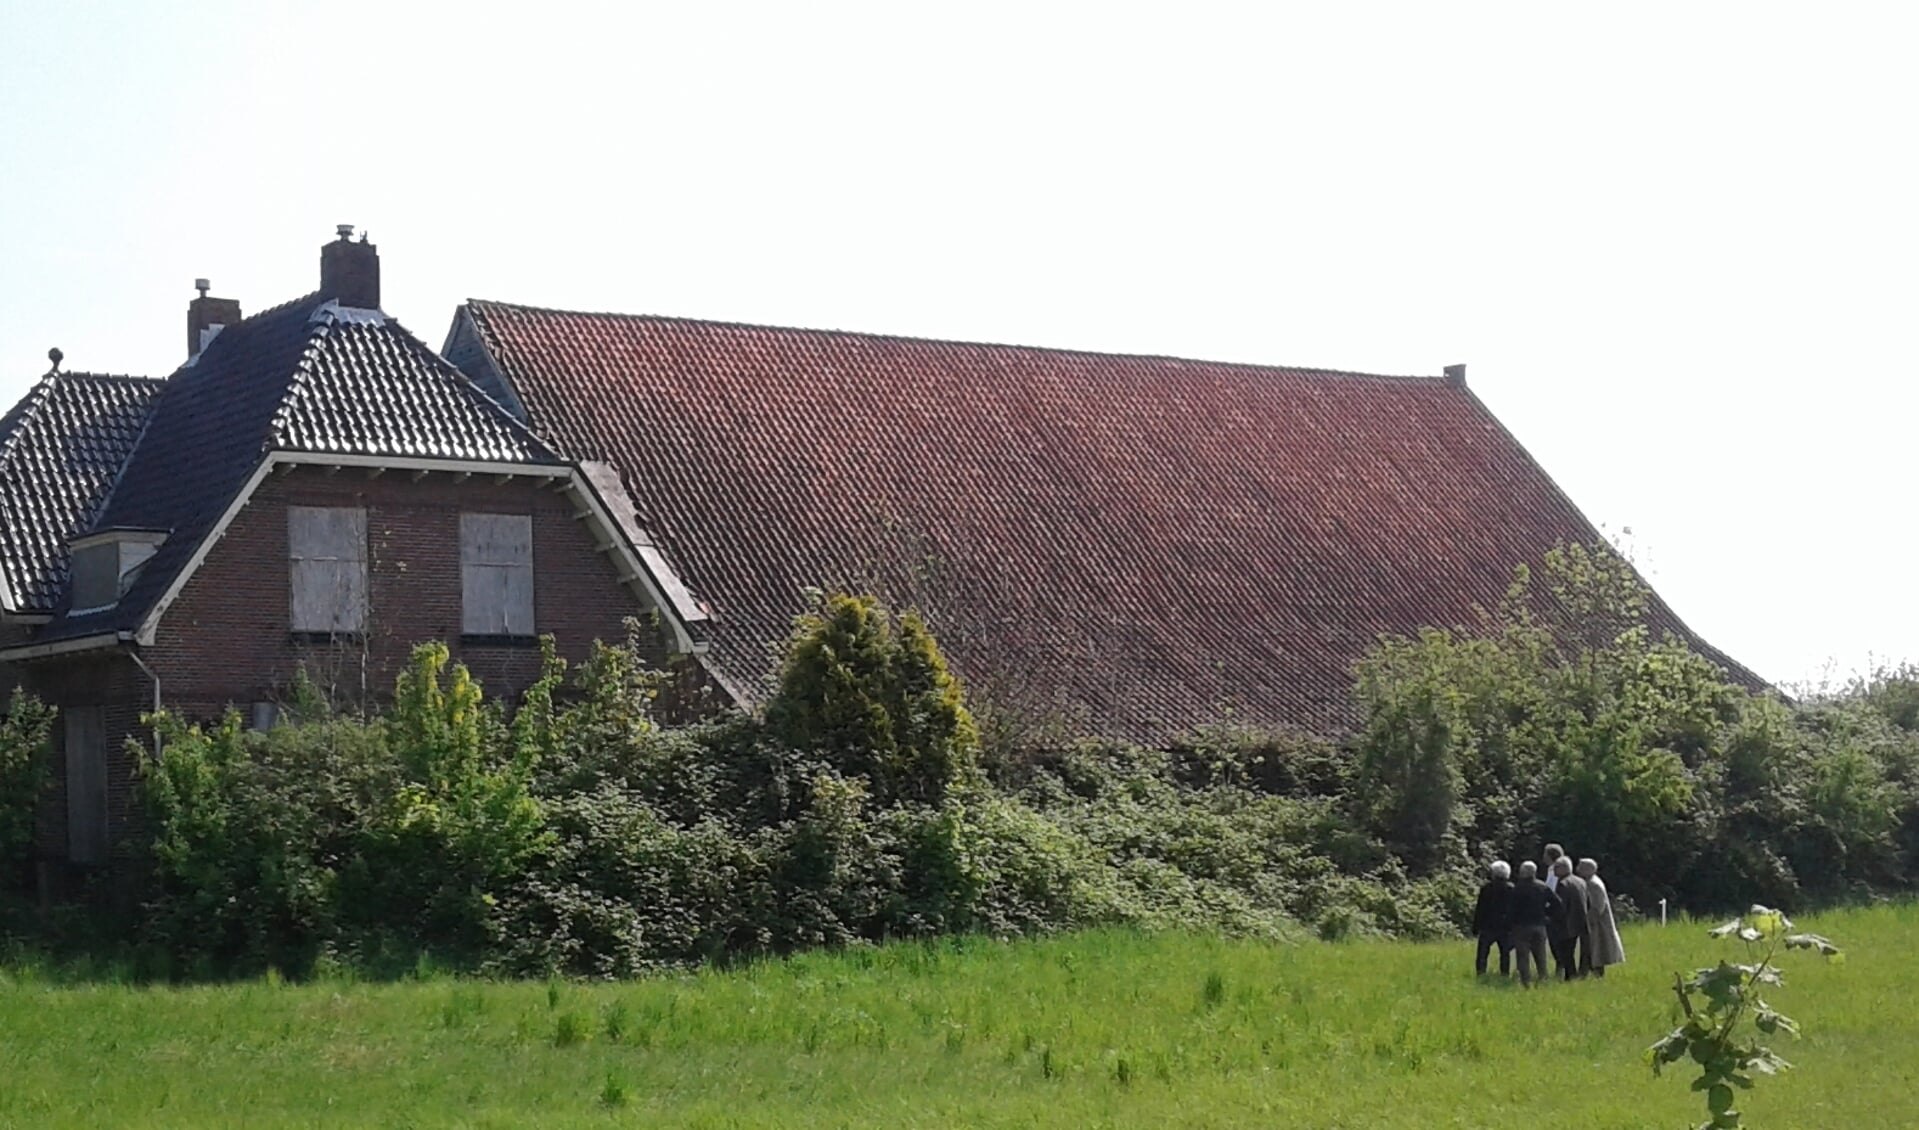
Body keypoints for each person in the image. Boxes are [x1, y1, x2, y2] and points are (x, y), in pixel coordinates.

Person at [1506, 860, 1560, 988]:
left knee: (1523, 955)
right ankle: (1543, 979)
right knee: (1540, 954)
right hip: (1539, 925)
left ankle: (1525, 982)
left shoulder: (1517, 889)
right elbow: (1557, 903)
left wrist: (1509, 924)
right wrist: (1547, 915)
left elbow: (1511, 909)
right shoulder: (1542, 887)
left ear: (1522, 873)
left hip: (1521, 926)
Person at [1577, 858, 1625, 977]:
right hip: (1596, 923)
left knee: (1597, 950)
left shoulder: (1594, 884)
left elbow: (1598, 906)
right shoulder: (1591, 882)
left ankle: (1594, 975)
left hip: (1599, 925)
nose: (1577, 869)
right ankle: (1586, 974)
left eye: (1580, 866)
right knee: (1593, 950)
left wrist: (1588, 922)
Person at [1548, 857, 1591, 980]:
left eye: (1556, 868)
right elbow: (1588, 901)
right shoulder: (1581, 881)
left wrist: (1551, 916)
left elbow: (1561, 906)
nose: (1554, 871)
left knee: (1565, 953)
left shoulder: (1563, 884)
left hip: (1566, 923)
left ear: (1563, 869)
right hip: (1580, 921)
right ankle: (1572, 976)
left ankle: (1570, 976)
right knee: (1570, 951)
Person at [1471, 861, 1515, 977]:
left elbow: (1480, 908)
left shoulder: (1486, 888)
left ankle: (1480, 972)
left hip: (1488, 925)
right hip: (1505, 926)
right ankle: (1504, 974)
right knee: (1505, 953)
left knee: (1483, 952)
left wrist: (1475, 927)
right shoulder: (1511, 888)